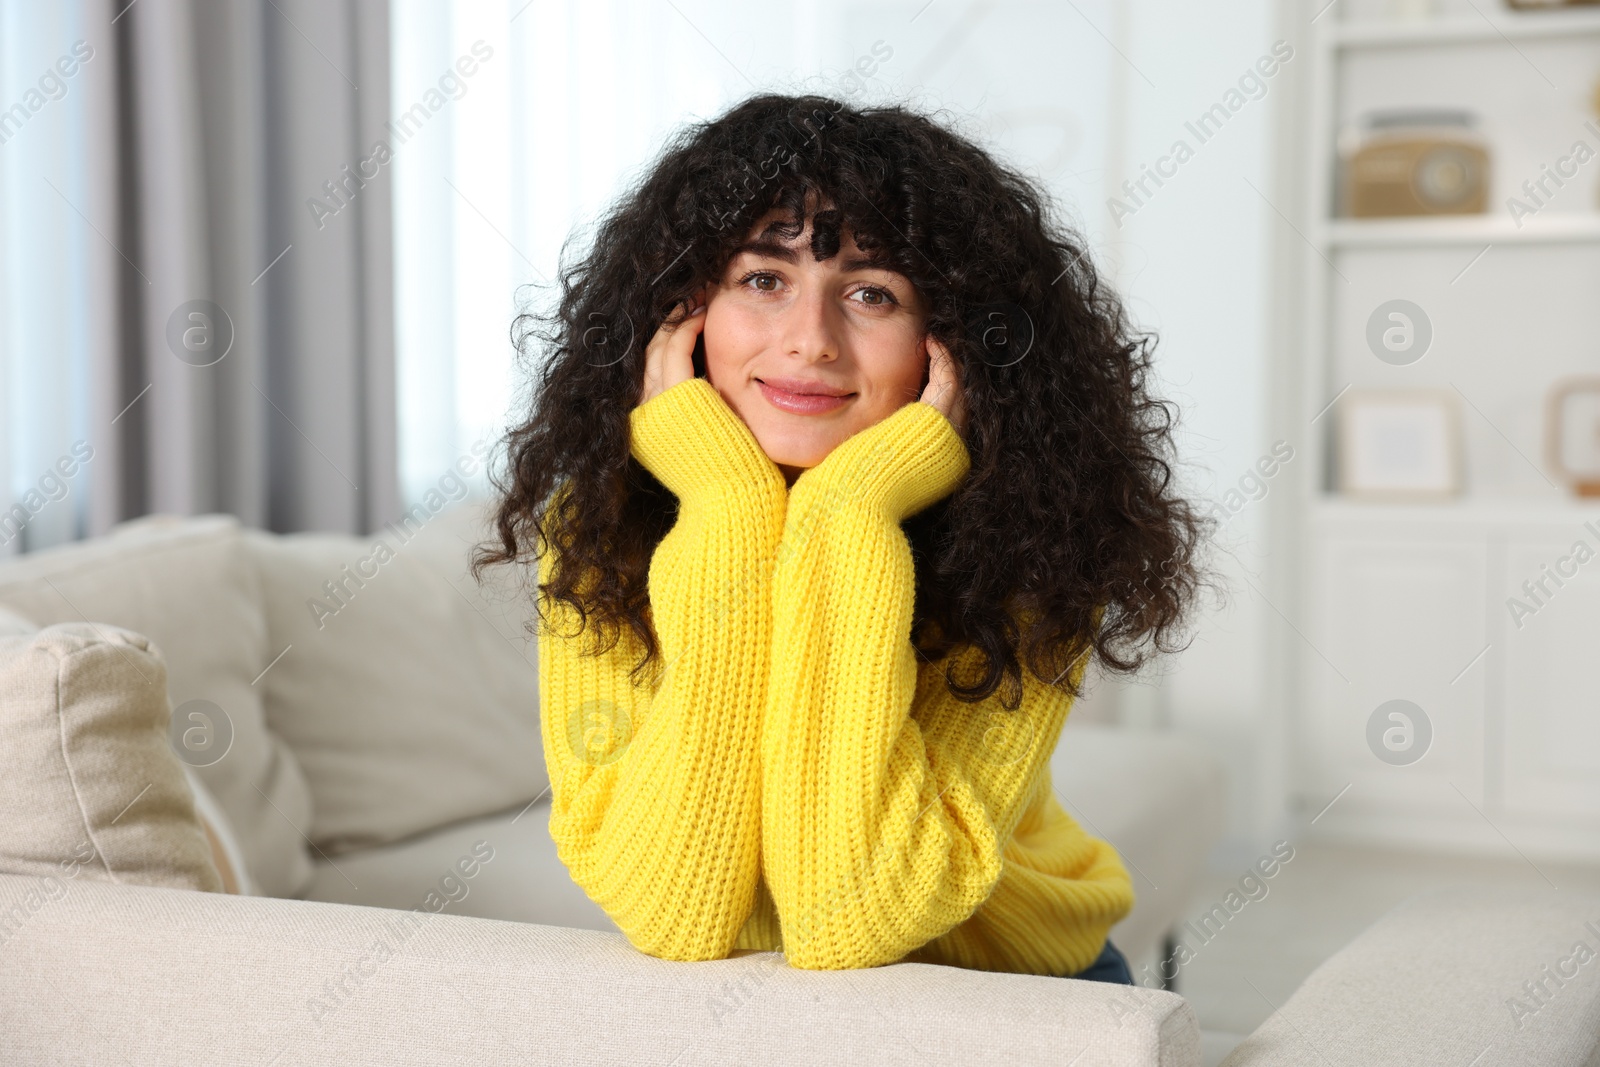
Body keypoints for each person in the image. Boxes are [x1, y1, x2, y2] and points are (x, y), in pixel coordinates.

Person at [473, 93, 1207, 983]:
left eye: (871, 292)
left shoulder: (1035, 540)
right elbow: (670, 907)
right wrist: (731, 509)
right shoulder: (593, 526)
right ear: (682, 312)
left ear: (955, 346)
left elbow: (853, 915)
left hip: (1024, 990)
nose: (811, 341)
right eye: (764, 279)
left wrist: (848, 515)